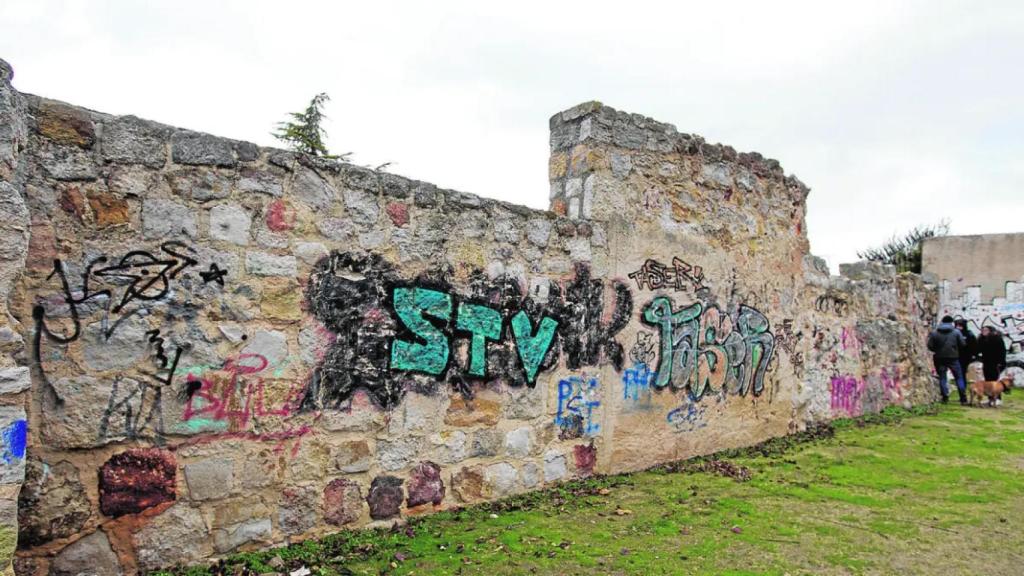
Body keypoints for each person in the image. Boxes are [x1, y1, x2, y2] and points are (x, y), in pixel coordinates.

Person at [927, 315, 967, 404]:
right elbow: (963, 344)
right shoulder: (956, 332)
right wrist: (955, 349)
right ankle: (963, 398)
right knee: (959, 377)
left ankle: (945, 397)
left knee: (942, 377)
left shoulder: (935, 332)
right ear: (951, 322)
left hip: (940, 358)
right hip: (953, 357)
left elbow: (930, 346)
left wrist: (937, 350)